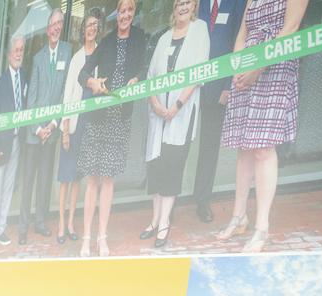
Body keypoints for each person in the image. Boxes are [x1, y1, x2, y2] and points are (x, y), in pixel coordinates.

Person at [216, 0, 310, 252]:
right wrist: (238, 66)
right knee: (244, 146)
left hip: (275, 66)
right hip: (247, 67)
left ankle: (261, 226)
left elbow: (289, 29)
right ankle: (238, 217)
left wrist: (259, 67)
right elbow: (242, 34)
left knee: (263, 148)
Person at [76, 0, 148, 257]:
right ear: (117, 14)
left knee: (108, 180)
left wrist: (137, 79)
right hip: (99, 117)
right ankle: (86, 238)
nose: (126, 15)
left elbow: (144, 68)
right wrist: (92, 82)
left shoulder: (141, 38)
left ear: (134, 13)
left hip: (120, 119)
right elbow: (82, 74)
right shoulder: (105, 41)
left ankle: (102, 237)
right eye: (122, 10)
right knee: (92, 179)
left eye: (130, 10)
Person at [142, 0, 209, 248]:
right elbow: (150, 77)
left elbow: (200, 72)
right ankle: (154, 220)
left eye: (187, 2)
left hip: (180, 113)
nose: (182, 6)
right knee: (157, 166)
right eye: (178, 2)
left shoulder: (200, 30)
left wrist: (176, 106)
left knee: (172, 166)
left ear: (194, 6)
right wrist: (156, 105)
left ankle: (164, 224)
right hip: (158, 115)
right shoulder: (163, 38)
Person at [191, 0, 247, 221]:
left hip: (217, 89)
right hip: (191, 87)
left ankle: (202, 201)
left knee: (209, 147)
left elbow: (237, 44)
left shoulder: (236, 3)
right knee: (179, 144)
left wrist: (228, 86)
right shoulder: (199, 3)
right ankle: (168, 200)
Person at [18, 9, 71, 244]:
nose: (56, 27)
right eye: (53, 23)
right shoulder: (37, 57)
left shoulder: (67, 52)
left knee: (45, 179)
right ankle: (22, 226)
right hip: (34, 133)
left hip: (51, 130)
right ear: (47, 27)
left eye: (60, 23)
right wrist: (38, 128)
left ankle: (40, 222)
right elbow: (31, 99)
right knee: (28, 180)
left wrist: (52, 125)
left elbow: (63, 93)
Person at [58, 8, 102, 245]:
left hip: (91, 124)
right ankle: (61, 224)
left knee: (77, 178)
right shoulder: (76, 59)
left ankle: (73, 223)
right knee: (65, 177)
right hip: (74, 125)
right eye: (88, 25)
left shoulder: (100, 56)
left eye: (95, 25)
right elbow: (68, 94)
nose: (91, 29)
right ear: (83, 30)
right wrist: (65, 129)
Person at [0, 35, 27, 255]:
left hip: (17, 143)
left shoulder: (23, 78)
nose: (19, 53)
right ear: (9, 54)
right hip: (2, 146)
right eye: (16, 50)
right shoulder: (1, 83)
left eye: (21, 50)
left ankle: (0, 230)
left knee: (8, 188)